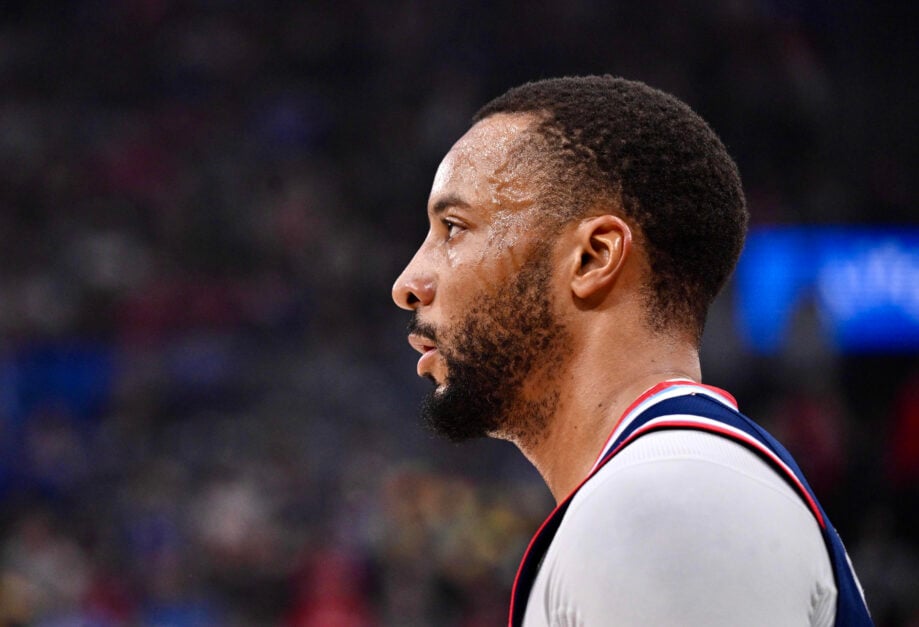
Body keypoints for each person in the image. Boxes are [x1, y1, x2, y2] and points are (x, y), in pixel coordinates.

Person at [391, 76, 872, 626]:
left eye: (453, 228)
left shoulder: (671, 500)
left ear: (593, 257)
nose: (407, 283)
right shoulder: (673, 483)